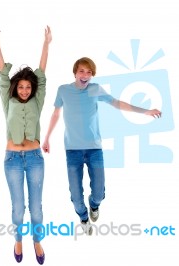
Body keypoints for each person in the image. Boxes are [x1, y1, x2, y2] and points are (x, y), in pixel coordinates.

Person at [42, 57, 162, 235]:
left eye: (89, 72)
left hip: (94, 149)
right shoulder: (63, 90)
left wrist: (145, 111)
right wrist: (47, 138)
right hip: (72, 150)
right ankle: (83, 217)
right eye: (82, 71)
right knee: (75, 197)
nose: (85, 75)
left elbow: (117, 104)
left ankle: (94, 205)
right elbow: (55, 114)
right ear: (75, 72)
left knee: (98, 193)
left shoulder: (95, 89)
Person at [0, 25, 52, 265]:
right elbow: (3, 76)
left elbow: (42, 74)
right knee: (18, 207)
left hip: (35, 158)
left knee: (36, 208)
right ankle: (17, 239)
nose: (25, 90)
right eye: (21, 87)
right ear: (16, 88)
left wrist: (46, 43)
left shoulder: (37, 101)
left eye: (28, 87)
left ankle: (36, 241)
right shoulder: (8, 101)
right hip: (12, 160)